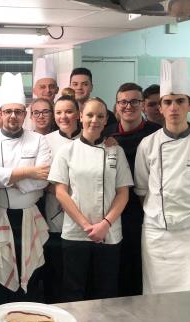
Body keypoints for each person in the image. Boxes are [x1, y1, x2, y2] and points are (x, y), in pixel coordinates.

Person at [134, 58, 190, 294]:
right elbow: (143, 191)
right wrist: (160, 216)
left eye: (180, 101)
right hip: (157, 233)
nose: (174, 108)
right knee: (157, 293)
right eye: (168, 102)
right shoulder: (147, 145)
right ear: (160, 108)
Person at [0, 72, 51, 307]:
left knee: (32, 267)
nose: (13, 116)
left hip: (30, 215)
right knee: (0, 266)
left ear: (24, 113)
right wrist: (28, 172)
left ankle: (27, 308)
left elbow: (44, 179)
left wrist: (5, 179)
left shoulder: (38, 140)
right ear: (1, 114)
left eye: (18, 112)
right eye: (8, 112)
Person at [48, 97, 132, 301]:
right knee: (73, 290)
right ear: (81, 117)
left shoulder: (115, 150)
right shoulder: (67, 151)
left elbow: (123, 192)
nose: (94, 120)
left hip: (109, 232)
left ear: (106, 121)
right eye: (90, 115)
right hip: (76, 232)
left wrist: (105, 224)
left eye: (100, 116)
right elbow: (61, 192)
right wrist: (86, 225)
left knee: (106, 290)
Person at [103, 83, 161, 296]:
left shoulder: (156, 134)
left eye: (134, 101)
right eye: (123, 102)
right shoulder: (105, 134)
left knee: (139, 263)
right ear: (116, 106)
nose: (128, 106)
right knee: (114, 265)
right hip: (112, 209)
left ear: (143, 105)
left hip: (145, 210)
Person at [41, 95, 81, 303]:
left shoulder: (93, 138)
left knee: (77, 274)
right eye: (58, 112)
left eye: (68, 111)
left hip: (85, 216)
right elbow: (42, 178)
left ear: (78, 113)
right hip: (53, 215)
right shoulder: (46, 141)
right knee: (56, 272)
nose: (63, 116)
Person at [24, 57, 58, 132]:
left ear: (57, 90)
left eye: (51, 86)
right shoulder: (25, 115)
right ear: (34, 91)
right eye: (42, 87)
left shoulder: (61, 112)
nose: (48, 90)